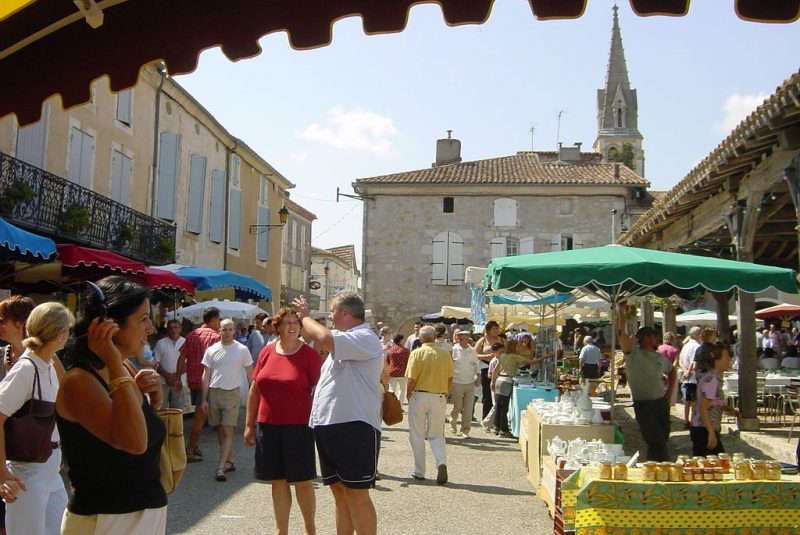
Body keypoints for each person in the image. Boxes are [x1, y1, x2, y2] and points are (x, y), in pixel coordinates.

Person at [57, 277, 166, 533]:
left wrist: (151, 403)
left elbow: (135, 431)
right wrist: (115, 361)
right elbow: (134, 442)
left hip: (135, 517)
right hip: (105, 520)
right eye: (142, 319)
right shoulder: (80, 382)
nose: (150, 328)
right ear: (109, 326)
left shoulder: (124, 368)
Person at [293, 292, 382, 535]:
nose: (330, 317)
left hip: (355, 425)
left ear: (344, 312)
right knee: (339, 491)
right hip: (330, 424)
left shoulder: (365, 337)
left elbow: (322, 336)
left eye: (332, 311)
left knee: (356, 493)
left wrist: (305, 318)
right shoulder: (346, 339)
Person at [244, 307, 322, 535]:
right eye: (287, 322)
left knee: (302, 481)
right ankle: (282, 530)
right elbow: (255, 390)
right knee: (277, 481)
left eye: (296, 322)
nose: (292, 326)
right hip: (268, 426)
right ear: (276, 327)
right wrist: (250, 425)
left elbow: (321, 391)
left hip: (298, 427)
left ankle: (310, 528)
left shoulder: (309, 356)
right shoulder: (267, 352)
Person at [0, 302, 72, 535]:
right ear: (59, 333)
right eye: (66, 330)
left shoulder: (46, 365)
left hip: (49, 467)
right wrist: (2, 474)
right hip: (27, 471)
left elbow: (68, 391)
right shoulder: (27, 369)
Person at [618, 303, 675, 462]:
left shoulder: (660, 358)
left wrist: (669, 394)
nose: (657, 338)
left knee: (663, 439)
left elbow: (673, 371)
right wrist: (621, 313)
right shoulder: (633, 353)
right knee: (655, 440)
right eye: (653, 335)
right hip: (644, 404)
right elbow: (621, 334)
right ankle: (662, 466)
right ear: (645, 339)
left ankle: (657, 467)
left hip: (660, 402)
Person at [199, 319, 253, 482]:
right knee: (220, 430)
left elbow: (252, 374)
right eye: (224, 329)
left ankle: (220, 467)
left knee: (228, 431)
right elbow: (206, 375)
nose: (227, 332)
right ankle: (229, 460)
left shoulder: (242, 350)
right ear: (219, 331)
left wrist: (255, 395)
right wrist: (204, 399)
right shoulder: (211, 350)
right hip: (214, 393)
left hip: (232, 393)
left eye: (230, 329)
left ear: (234, 331)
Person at [405, 325, 454, 484]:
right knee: (437, 433)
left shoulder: (416, 353)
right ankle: (441, 462)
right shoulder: (445, 354)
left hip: (419, 394)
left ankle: (420, 471)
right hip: (439, 395)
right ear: (434, 337)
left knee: (417, 434)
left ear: (421, 338)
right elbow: (450, 378)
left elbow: (411, 379)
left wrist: (408, 395)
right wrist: (445, 394)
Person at [180, 307, 221, 462]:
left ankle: (193, 445)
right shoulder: (216, 337)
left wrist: (177, 377)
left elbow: (181, 358)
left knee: (200, 416)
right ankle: (189, 449)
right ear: (214, 319)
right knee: (200, 417)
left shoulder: (191, 334)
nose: (219, 322)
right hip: (208, 382)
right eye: (218, 319)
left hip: (193, 381)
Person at [690, 343, 737, 456]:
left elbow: (711, 400)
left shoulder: (712, 377)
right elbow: (703, 407)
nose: (729, 360)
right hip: (703, 428)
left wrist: (727, 408)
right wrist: (711, 433)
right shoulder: (712, 380)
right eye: (726, 357)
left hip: (703, 427)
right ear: (717, 361)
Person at [0, 295, 37, 378]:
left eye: (2, 321)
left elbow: (64, 387)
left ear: (19, 324)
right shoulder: (1, 354)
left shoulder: (45, 356)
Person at [450, 330, 478, 437]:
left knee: (468, 408)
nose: (459, 339)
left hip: (470, 382)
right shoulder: (454, 349)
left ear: (467, 338)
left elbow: (476, 365)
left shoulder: (473, 351)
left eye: (462, 337)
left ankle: (465, 430)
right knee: (458, 406)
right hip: (457, 382)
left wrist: (478, 376)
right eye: (458, 337)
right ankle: (453, 421)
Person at [153, 319, 185, 409]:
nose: (173, 330)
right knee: (161, 409)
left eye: (175, 327)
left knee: (177, 410)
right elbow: (156, 362)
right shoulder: (160, 343)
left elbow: (188, 363)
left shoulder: (186, 342)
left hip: (179, 381)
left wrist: (176, 377)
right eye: (170, 328)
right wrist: (167, 376)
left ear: (180, 329)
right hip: (163, 381)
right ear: (167, 330)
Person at [474, 321, 503, 420]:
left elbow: (507, 353)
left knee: (499, 394)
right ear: (488, 330)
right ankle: (486, 417)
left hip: (500, 368)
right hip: (486, 368)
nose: (496, 331)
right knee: (487, 394)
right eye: (494, 329)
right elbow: (474, 354)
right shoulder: (482, 340)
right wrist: (485, 356)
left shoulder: (502, 340)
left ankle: (496, 419)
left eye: (497, 328)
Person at [679, 326, 702, 428]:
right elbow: (694, 361)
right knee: (693, 401)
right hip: (692, 378)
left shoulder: (685, 346)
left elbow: (680, 360)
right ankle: (692, 421)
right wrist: (688, 372)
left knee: (687, 401)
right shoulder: (697, 346)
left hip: (685, 377)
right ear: (697, 335)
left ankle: (686, 420)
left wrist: (684, 371)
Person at [385, 334, 410, 404]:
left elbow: (388, 361)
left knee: (391, 389)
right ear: (401, 340)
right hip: (402, 372)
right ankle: (399, 406)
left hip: (392, 372)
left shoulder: (390, 350)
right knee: (402, 390)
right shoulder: (405, 351)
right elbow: (408, 362)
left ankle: (391, 405)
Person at [657, 332, 680, 405]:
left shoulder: (659, 348)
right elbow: (675, 363)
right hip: (670, 374)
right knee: (670, 394)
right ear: (673, 340)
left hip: (659, 373)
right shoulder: (675, 350)